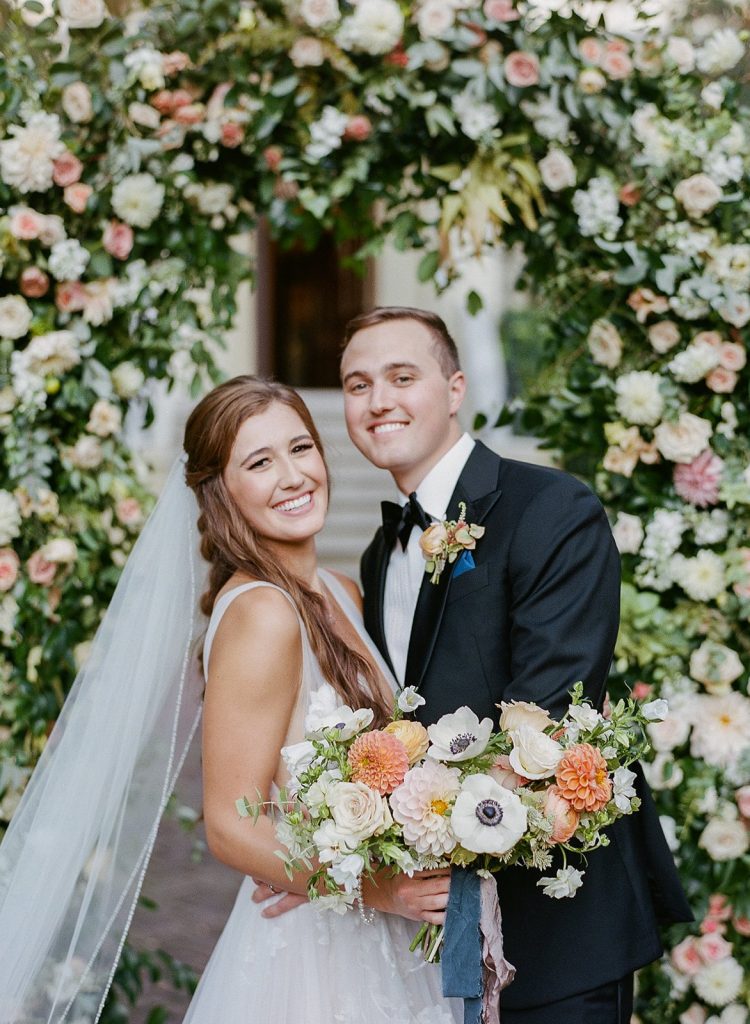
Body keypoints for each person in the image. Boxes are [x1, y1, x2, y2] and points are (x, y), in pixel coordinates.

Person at [0, 375, 461, 1024]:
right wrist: (379, 889)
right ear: (221, 493)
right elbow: (231, 824)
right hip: (318, 958)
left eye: (301, 448)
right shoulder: (264, 613)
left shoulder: (339, 592)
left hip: (372, 929)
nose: (293, 475)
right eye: (260, 462)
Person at [337, 307, 693, 1023]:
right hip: (441, 930)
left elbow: (550, 711)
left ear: (455, 386)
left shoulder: (552, 508)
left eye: (402, 377)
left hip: (560, 929)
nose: (379, 401)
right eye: (356, 384)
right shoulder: (381, 556)